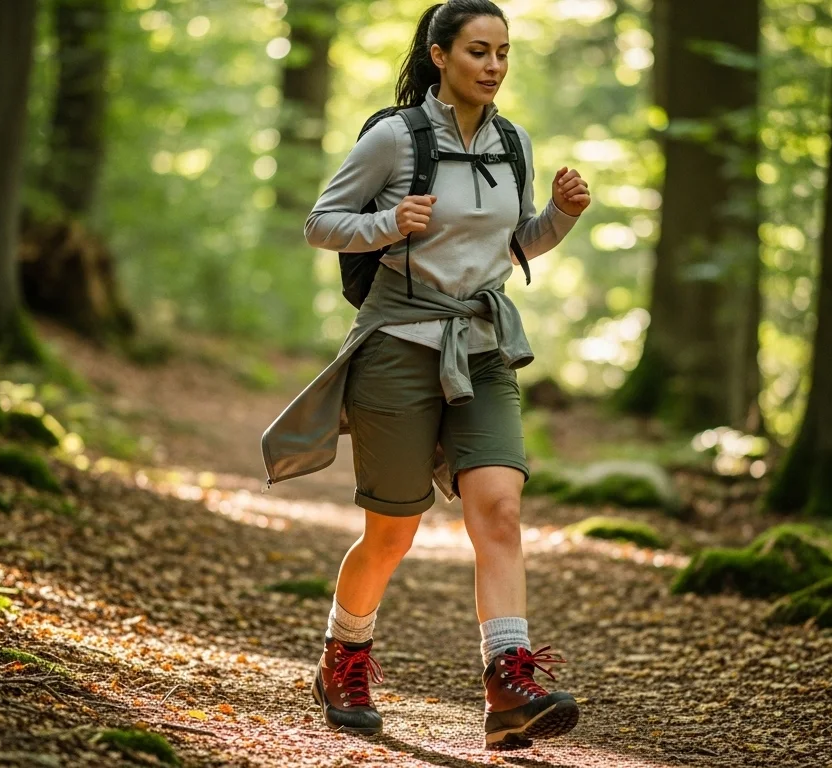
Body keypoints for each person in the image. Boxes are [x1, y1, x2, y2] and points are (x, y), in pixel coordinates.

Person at [259, 0, 590, 750]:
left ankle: (509, 682)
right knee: (392, 533)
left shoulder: (514, 143)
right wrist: (385, 224)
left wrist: (561, 217)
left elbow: (513, 244)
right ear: (440, 56)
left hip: (482, 343)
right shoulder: (393, 138)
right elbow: (320, 222)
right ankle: (344, 653)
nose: (495, 66)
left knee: (499, 508)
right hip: (397, 344)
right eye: (479, 51)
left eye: (503, 52)